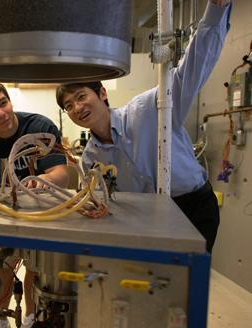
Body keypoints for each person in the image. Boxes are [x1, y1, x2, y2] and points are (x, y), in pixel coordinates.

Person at [56, 0, 232, 253]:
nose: (76, 108)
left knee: (187, 285)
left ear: (102, 93)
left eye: (81, 96)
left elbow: (192, 70)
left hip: (193, 208)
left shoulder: (150, 108)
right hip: (145, 218)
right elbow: (101, 201)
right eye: (68, 105)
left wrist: (216, 10)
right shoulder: (91, 158)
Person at [0, 82, 68, 328]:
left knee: (35, 273)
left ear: (10, 101)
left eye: (3, 103)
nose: (1, 113)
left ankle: (30, 320)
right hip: (2, 218)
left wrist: (43, 179)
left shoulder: (40, 128)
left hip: (40, 216)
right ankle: (0, 319)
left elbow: (61, 174)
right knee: (2, 268)